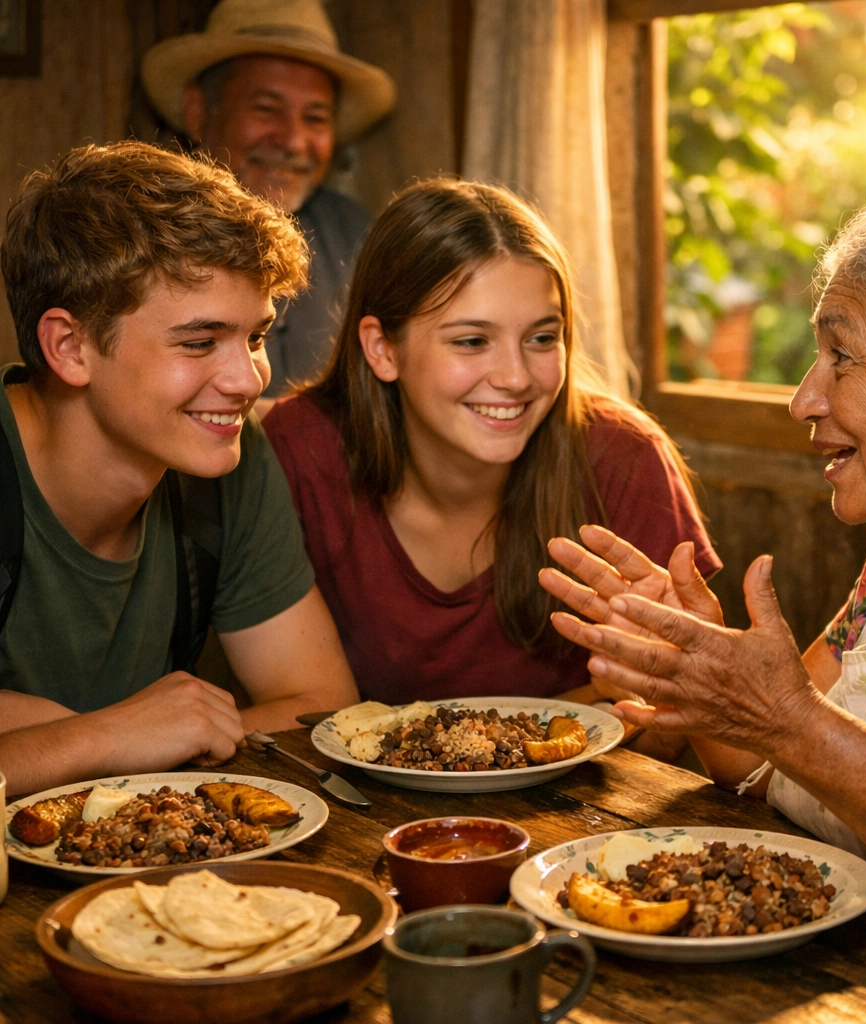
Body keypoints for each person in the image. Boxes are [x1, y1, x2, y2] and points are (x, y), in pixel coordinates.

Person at [539, 183, 866, 943]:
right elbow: (762, 761)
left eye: (842, 356)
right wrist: (695, 662)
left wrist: (788, 719)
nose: (803, 398)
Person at [263, 178, 721, 714]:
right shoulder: (299, 449)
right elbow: (294, 712)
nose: (516, 377)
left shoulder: (625, 457)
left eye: (542, 338)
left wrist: (644, 693)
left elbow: (675, 730)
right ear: (383, 349)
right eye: (472, 341)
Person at [0, 141, 359, 797]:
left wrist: (41, 744)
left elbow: (318, 708)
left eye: (255, 337)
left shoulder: (228, 460)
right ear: (69, 346)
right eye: (199, 342)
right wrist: (102, 738)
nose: (248, 378)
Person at [141, 0, 396, 401]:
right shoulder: (139, 233)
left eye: (315, 117)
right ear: (197, 111)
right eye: (266, 109)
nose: (293, 141)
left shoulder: (355, 236)